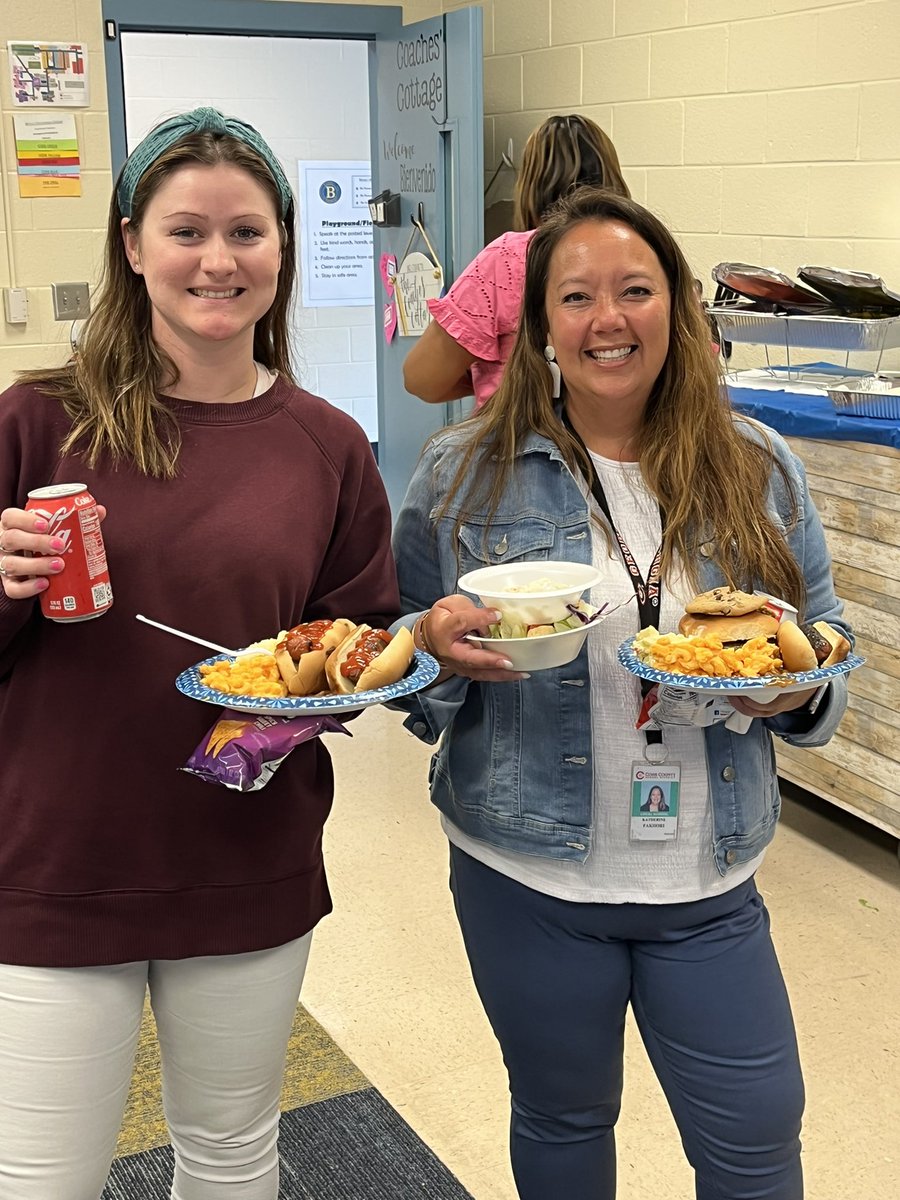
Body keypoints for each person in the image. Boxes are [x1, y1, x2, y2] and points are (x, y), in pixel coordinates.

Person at [392, 187, 852, 1199]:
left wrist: (789, 690)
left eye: (635, 290)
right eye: (576, 297)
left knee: (757, 1140)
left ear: (677, 308)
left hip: (708, 879)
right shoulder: (462, 473)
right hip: (528, 874)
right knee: (561, 1118)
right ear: (540, 327)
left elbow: (825, 640)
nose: (608, 319)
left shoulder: (757, 465)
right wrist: (430, 649)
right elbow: (407, 664)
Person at [0, 108, 398, 1199]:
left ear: (281, 248)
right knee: (42, 1179)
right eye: (186, 232)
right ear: (133, 246)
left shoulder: (327, 445)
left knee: (231, 1154)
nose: (218, 261)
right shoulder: (35, 421)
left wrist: (255, 734)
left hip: (242, 855)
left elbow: (354, 646)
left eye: (246, 233)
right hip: (55, 862)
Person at [402, 113, 630, 409]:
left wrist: (495, 378)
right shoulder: (642, 249)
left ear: (532, 183)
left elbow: (421, 378)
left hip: (523, 430)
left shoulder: (510, 258)